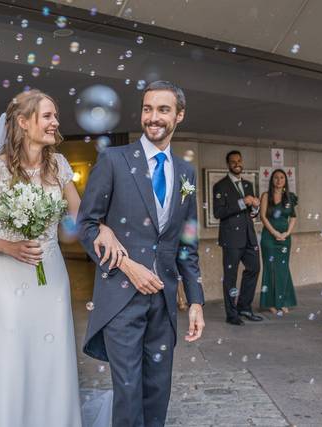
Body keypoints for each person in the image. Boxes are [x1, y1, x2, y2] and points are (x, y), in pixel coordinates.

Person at [0, 90, 126, 427]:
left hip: (50, 273)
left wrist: (105, 231)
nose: (56, 122)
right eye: (48, 116)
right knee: (12, 352)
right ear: (23, 123)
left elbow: (81, 217)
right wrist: (9, 247)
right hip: (9, 276)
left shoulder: (60, 166)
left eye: (56, 116)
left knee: (51, 352)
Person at [78, 80, 205, 427]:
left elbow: (187, 244)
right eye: (148, 109)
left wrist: (195, 300)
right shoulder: (114, 161)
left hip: (163, 302)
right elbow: (87, 226)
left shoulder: (186, 174)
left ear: (178, 115)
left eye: (163, 110)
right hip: (121, 298)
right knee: (129, 390)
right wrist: (128, 266)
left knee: (157, 389)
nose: (153, 117)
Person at [213, 150, 263, 325]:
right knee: (230, 277)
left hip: (249, 236)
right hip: (231, 239)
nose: (237, 164)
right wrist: (243, 202)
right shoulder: (220, 186)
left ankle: (244, 307)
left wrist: (255, 207)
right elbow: (218, 212)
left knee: (255, 268)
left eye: (239, 161)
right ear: (228, 164)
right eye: (233, 161)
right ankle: (231, 314)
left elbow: (251, 213)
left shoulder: (248, 185)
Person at [259, 169, 298, 315]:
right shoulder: (265, 196)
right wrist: (274, 232)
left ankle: (282, 302)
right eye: (276, 177)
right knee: (270, 269)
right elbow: (263, 217)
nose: (279, 180)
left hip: (285, 237)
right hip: (269, 238)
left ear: (285, 181)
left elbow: (293, 217)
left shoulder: (289, 197)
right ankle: (270, 303)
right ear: (272, 180)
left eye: (282, 177)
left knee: (282, 269)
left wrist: (287, 233)